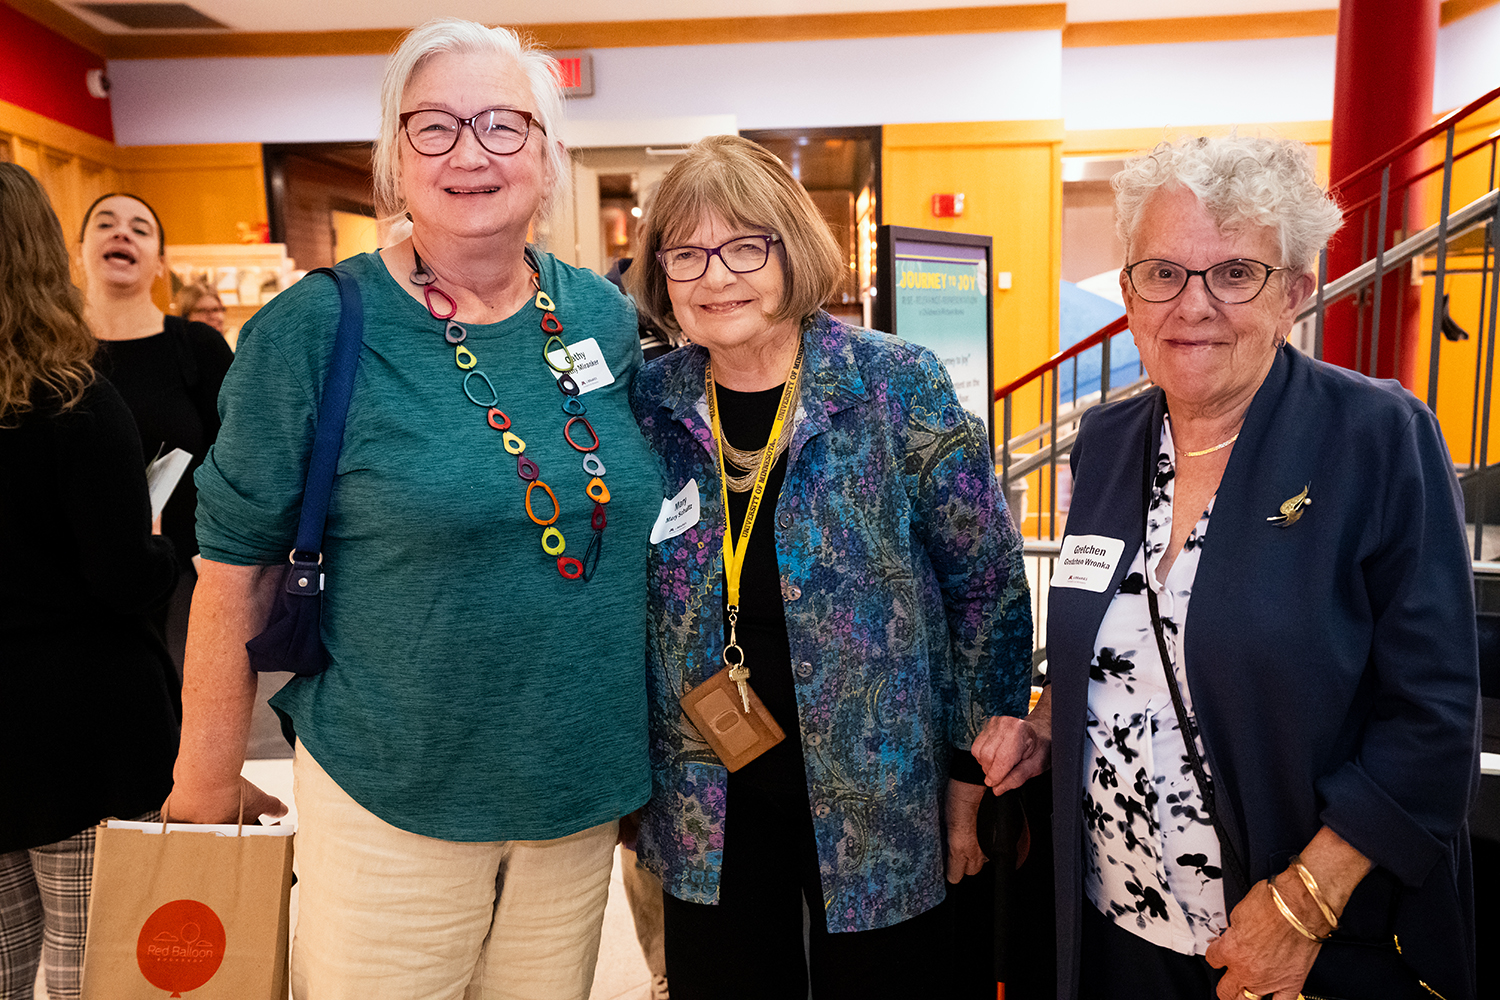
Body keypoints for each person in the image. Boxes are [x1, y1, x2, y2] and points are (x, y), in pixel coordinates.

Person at [167, 18, 660, 999]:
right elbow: (230, 577)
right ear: (392, 159)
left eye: (503, 125)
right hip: (395, 797)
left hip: (573, 799)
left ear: (549, 156)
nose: (471, 152)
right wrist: (204, 791)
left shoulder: (603, 316)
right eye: (432, 126)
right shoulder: (314, 328)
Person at [974, 135, 1480, 1000]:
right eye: (1163, 272)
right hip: (1114, 932)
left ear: (1295, 292)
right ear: (1130, 295)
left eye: (1234, 272)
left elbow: (1433, 716)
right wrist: (1050, 727)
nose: (1193, 304)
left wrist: (1301, 908)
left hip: (1290, 948)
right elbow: (1108, 643)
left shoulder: (1376, 438)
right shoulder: (1106, 445)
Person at [626, 134, 1034, 1000]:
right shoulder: (649, 404)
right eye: (686, 254)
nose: (715, 276)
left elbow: (988, 592)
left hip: (881, 793)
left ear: (792, 250)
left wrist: (970, 775)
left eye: (744, 247)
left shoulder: (895, 385)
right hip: (707, 797)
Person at [0, 164, 179, 999]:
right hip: (83, 728)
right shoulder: (77, 402)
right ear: (48, 256)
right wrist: (162, 550)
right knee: (91, 966)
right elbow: (122, 580)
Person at [78, 192, 234, 678]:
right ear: (77, 249)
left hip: (185, 574)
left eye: (140, 228)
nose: (121, 232)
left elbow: (241, 459)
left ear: (161, 263)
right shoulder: (44, 353)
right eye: (105, 224)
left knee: (175, 719)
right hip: (71, 578)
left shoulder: (195, 347)